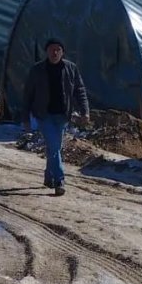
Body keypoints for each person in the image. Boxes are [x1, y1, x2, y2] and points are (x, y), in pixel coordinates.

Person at [21, 38, 90, 195]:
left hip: (62, 115)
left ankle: (48, 176)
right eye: (52, 49)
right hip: (44, 115)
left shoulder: (70, 68)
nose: (55, 52)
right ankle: (60, 180)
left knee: (55, 147)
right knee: (53, 147)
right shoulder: (37, 70)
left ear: (62, 52)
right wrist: (25, 119)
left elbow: (80, 90)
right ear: (47, 51)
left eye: (58, 49)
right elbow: (27, 95)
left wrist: (85, 111)